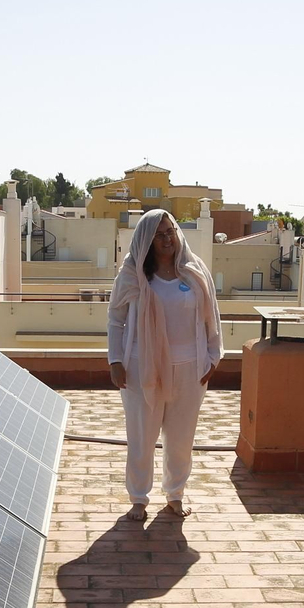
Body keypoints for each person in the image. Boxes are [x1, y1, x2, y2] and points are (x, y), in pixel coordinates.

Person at [107, 209, 222, 521]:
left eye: (170, 231)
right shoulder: (131, 276)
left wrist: (213, 357)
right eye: (159, 234)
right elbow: (116, 320)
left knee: (181, 438)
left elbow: (211, 316)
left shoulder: (195, 271)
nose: (167, 238)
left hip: (190, 368)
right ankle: (138, 499)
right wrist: (116, 360)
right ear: (147, 239)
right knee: (141, 436)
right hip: (141, 366)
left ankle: (175, 494)